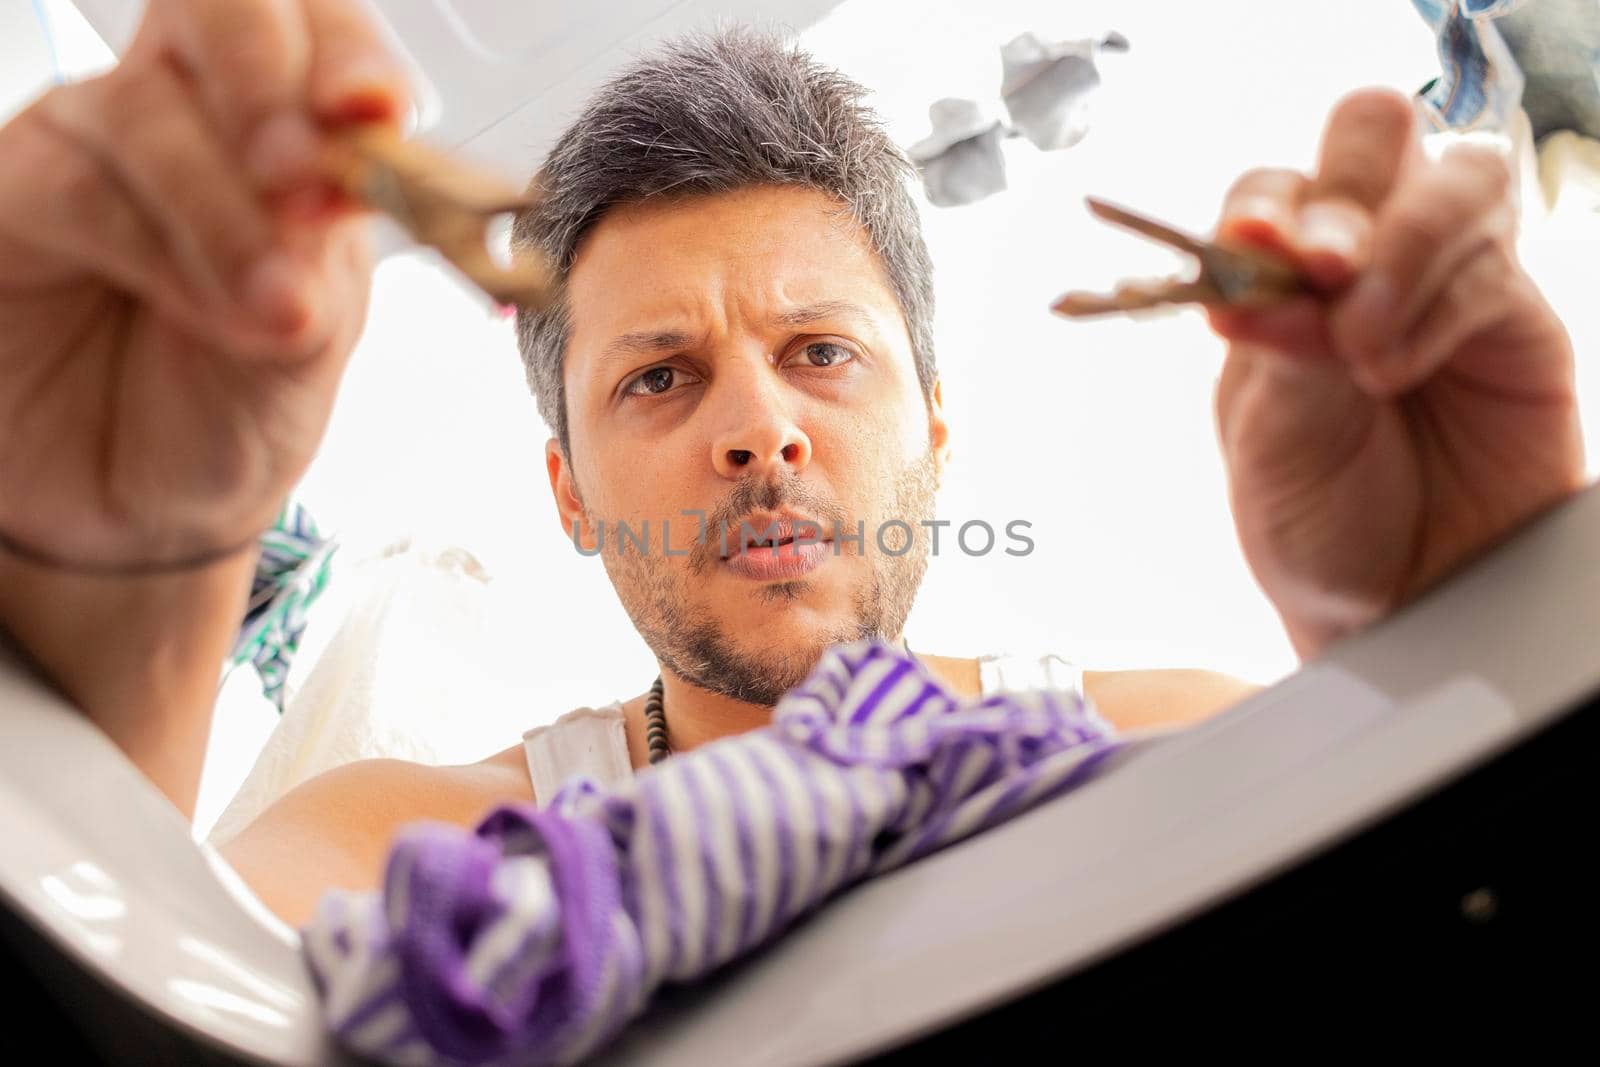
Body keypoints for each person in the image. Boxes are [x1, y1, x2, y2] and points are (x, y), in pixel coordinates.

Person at [0, 2, 1582, 928]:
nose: (758, 429)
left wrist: (1478, 673)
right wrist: (125, 634)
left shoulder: (1175, 747)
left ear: (935, 431)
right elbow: (157, 998)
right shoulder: (406, 862)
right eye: (661, 377)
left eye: (821, 353)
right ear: (570, 493)